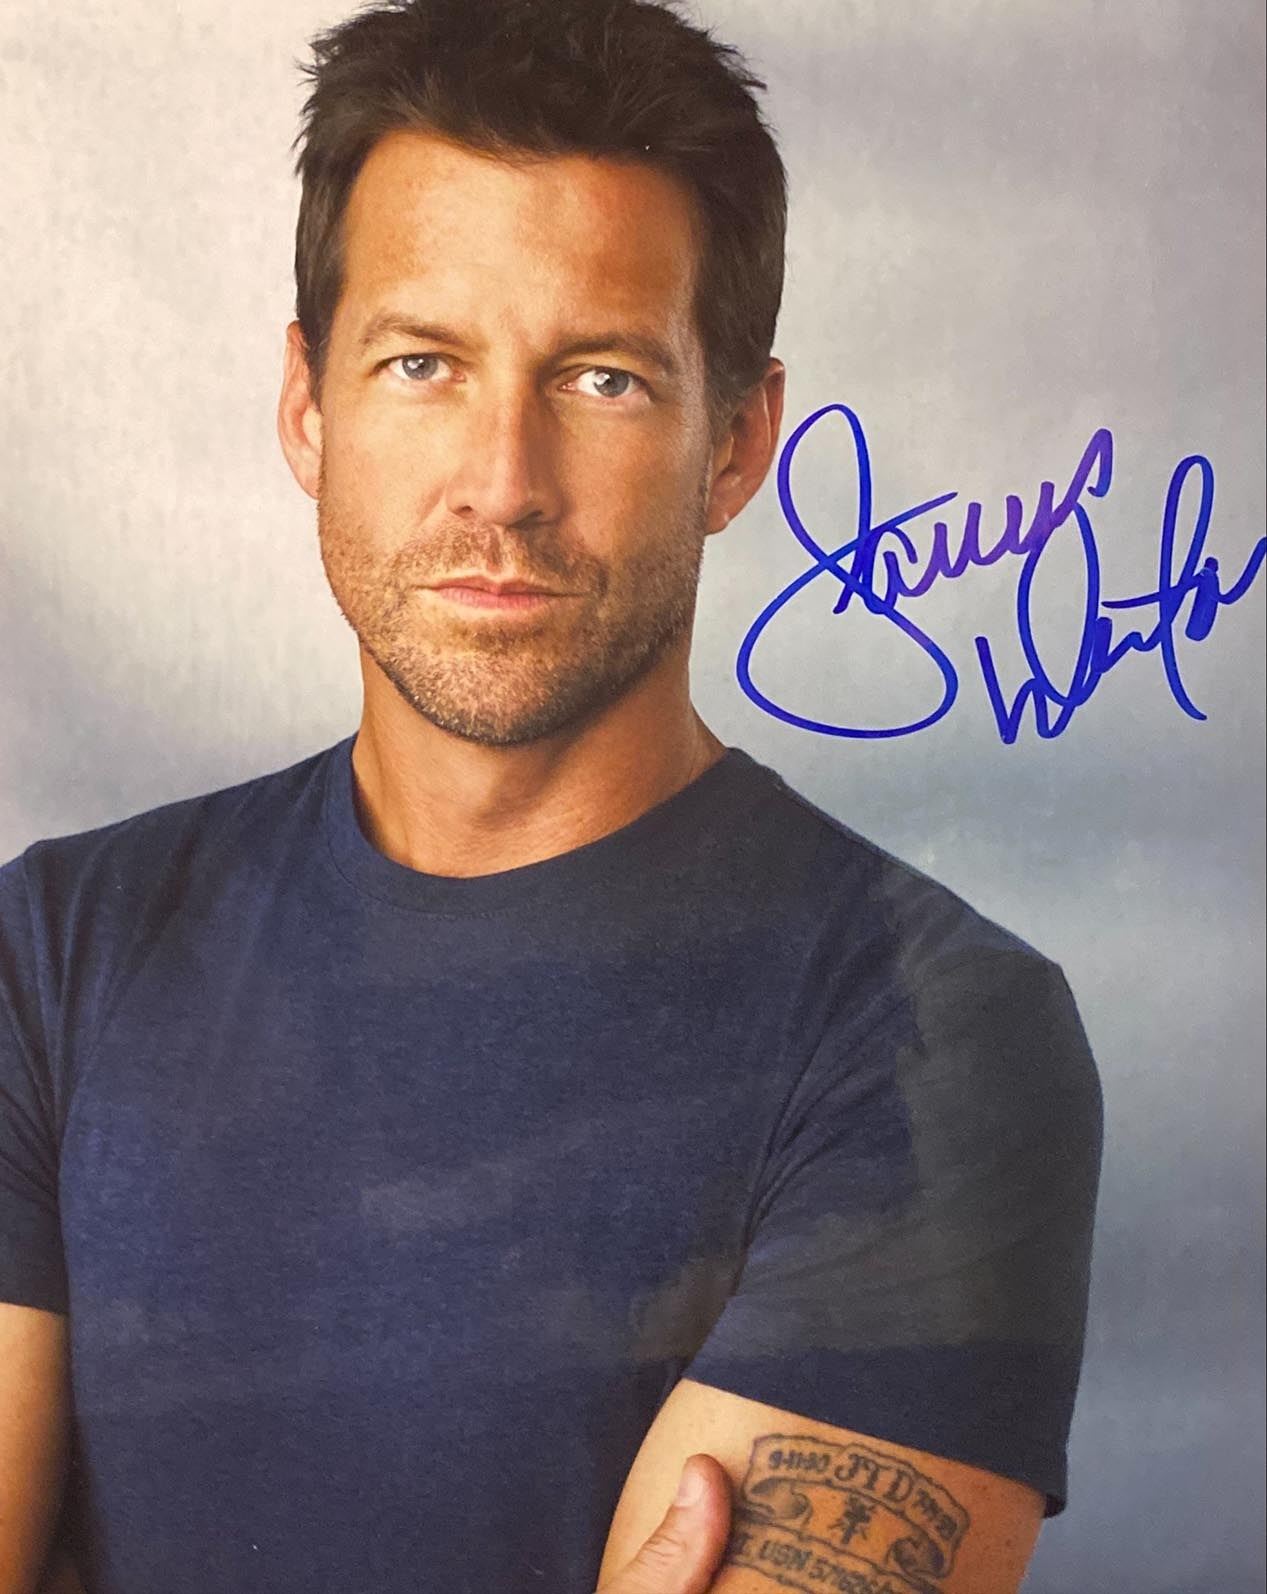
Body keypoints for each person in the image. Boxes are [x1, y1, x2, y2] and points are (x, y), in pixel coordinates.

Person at [0, 1, 1104, 1590]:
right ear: (309, 404)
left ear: (736, 442)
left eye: (600, 379)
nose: (503, 481)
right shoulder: (53, 956)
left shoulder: (938, 1040)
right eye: (423, 364)